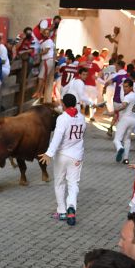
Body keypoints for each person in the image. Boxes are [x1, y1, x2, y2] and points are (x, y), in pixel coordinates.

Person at [38, 94, 86, 226]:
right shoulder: (82, 117)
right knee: (73, 183)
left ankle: (62, 211)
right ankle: (71, 206)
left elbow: (57, 137)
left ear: (63, 104)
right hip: (77, 155)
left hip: (62, 155)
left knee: (59, 182)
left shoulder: (62, 118)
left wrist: (49, 153)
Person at [109, 78, 135, 164]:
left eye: (127, 87)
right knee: (127, 139)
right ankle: (126, 159)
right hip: (133, 120)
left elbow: (124, 106)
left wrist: (113, 111)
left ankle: (120, 148)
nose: (125, 88)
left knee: (117, 140)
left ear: (131, 87)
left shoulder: (128, 97)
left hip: (125, 119)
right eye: (124, 87)